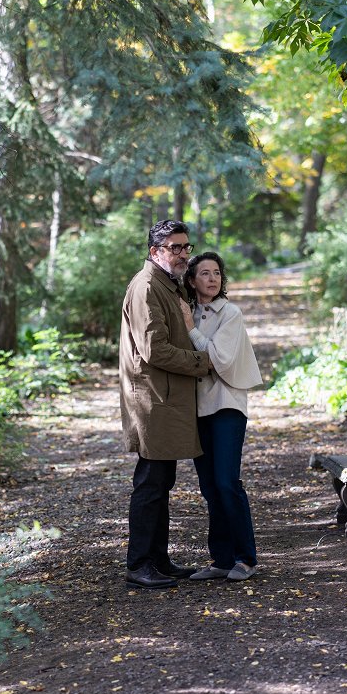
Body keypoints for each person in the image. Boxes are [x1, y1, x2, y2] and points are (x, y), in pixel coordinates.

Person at [119, 220, 212, 589]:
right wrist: (202, 363)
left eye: (186, 247)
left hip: (166, 398)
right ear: (155, 251)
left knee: (161, 481)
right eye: (175, 248)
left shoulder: (166, 283)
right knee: (151, 483)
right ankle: (139, 563)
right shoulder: (145, 287)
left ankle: (157, 559)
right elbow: (154, 349)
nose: (184, 254)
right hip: (153, 400)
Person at [180, 251, 262, 581]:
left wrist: (190, 329)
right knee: (210, 487)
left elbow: (217, 360)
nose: (212, 278)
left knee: (228, 482)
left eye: (217, 273)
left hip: (227, 404)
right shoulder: (185, 312)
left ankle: (246, 558)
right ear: (191, 280)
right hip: (196, 409)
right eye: (204, 273)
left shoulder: (230, 313)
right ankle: (221, 560)